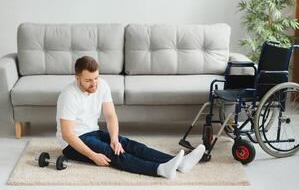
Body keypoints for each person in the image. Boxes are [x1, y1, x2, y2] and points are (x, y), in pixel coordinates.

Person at [56, 56, 205, 179]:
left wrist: (114, 139)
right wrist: (93, 156)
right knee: (112, 152)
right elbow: (68, 135)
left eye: (96, 78)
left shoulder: (101, 85)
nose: (94, 84)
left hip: (92, 132)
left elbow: (110, 116)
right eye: (88, 80)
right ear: (77, 78)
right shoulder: (69, 95)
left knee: (127, 144)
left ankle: (180, 163)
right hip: (71, 144)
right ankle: (159, 169)